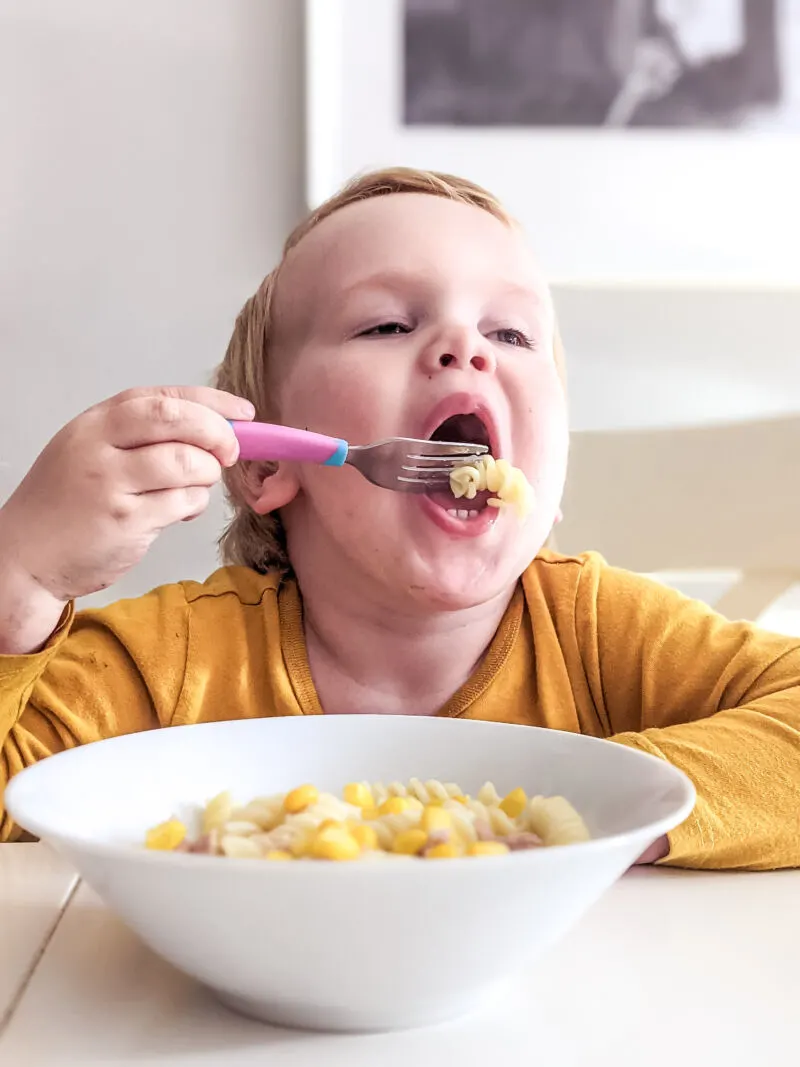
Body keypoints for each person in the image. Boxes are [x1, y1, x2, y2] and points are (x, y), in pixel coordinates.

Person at [1, 167, 798, 868]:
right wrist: (20, 579)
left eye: (512, 332)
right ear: (269, 462)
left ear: (551, 484)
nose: (466, 346)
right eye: (386, 323)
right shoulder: (175, 667)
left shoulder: (595, 635)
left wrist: (597, 807)